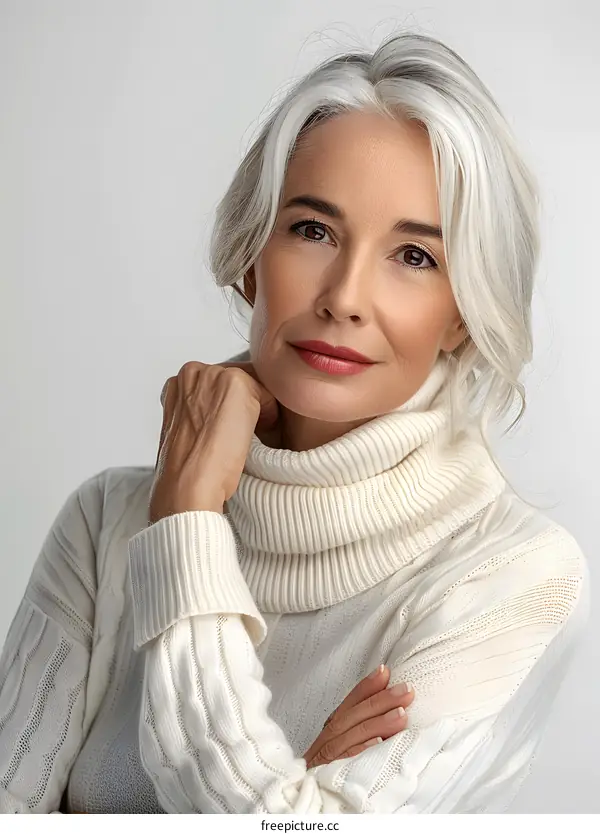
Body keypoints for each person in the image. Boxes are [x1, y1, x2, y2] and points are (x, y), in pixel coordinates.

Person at [0, 30, 589, 815]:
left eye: (414, 257)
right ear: (251, 256)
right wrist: (289, 792)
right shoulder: (104, 525)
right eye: (312, 230)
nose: (344, 295)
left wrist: (184, 527)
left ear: (463, 316)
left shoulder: (511, 574)